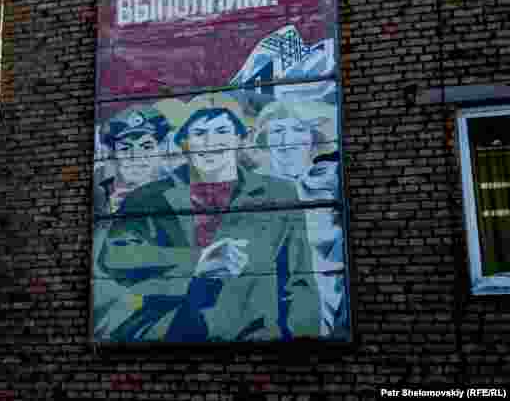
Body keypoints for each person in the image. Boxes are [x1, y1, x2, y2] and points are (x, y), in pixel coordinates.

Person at [95, 95, 319, 342]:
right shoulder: (147, 197)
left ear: (239, 138)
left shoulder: (280, 193)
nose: (211, 142)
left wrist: (303, 342)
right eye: (199, 132)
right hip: (171, 334)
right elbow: (116, 256)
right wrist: (197, 261)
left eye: (222, 130)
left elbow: (298, 281)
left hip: (255, 337)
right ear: (184, 143)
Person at [254, 100, 347, 337]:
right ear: (265, 139)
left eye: (298, 129)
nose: (287, 141)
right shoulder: (252, 190)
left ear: (312, 137)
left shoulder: (333, 181)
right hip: (268, 308)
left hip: (334, 303)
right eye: (277, 131)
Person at [94, 106, 173, 215]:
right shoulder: (101, 192)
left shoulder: (175, 192)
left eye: (147, 147)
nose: (135, 156)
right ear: (114, 154)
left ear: (162, 150)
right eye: (125, 148)